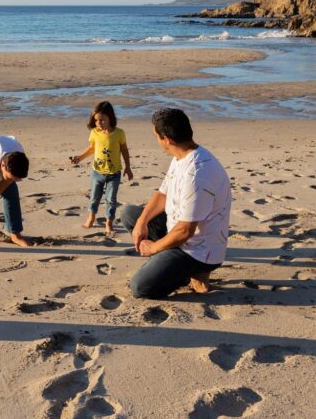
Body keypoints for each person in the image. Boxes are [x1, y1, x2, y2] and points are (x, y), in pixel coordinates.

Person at [120, 108, 231, 298]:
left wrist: (153, 248)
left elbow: (186, 231)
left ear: (167, 139)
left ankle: (191, 273)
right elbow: (162, 194)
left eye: (156, 136)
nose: (156, 140)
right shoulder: (181, 156)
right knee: (130, 214)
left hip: (197, 250)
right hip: (178, 230)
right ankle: (167, 262)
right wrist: (141, 223)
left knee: (140, 287)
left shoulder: (197, 173)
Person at [70, 101, 133, 235]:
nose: (99, 123)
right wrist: (79, 157)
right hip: (97, 172)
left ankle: (109, 222)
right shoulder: (94, 133)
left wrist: (128, 167)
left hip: (114, 173)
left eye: (102, 120)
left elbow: (124, 150)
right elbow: (92, 148)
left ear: (110, 118)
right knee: (94, 197)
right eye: (96, 120)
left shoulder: (119, 133)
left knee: (111, 199)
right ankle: (91, 218)